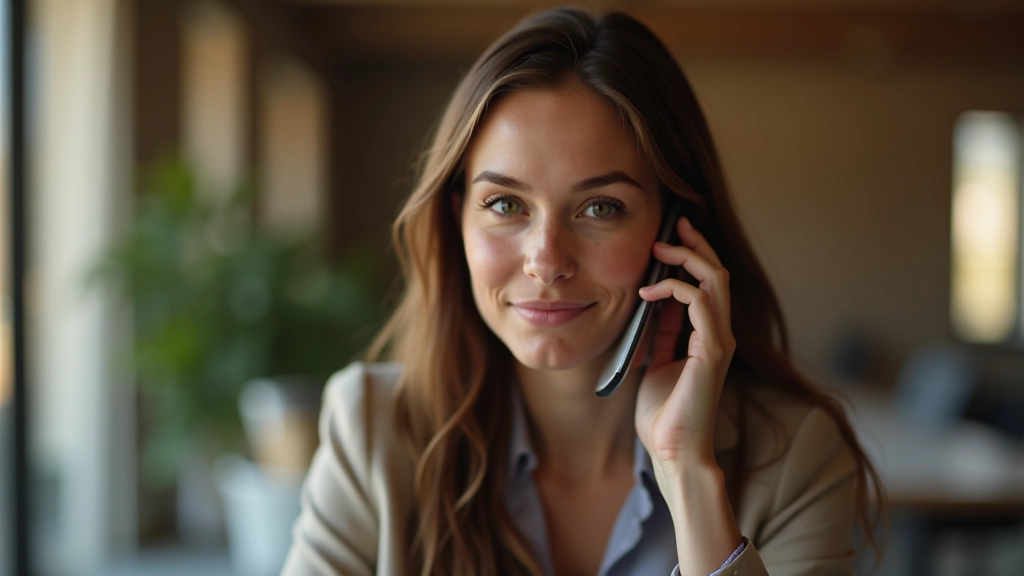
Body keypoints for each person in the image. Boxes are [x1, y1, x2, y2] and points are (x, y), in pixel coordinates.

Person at [282, 7, 883, 576]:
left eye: (601, 207)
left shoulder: (797, 456)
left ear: (676, 230)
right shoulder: (370, 429)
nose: (546, 261)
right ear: (457, 220)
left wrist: (688, 473)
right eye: (505, 204)